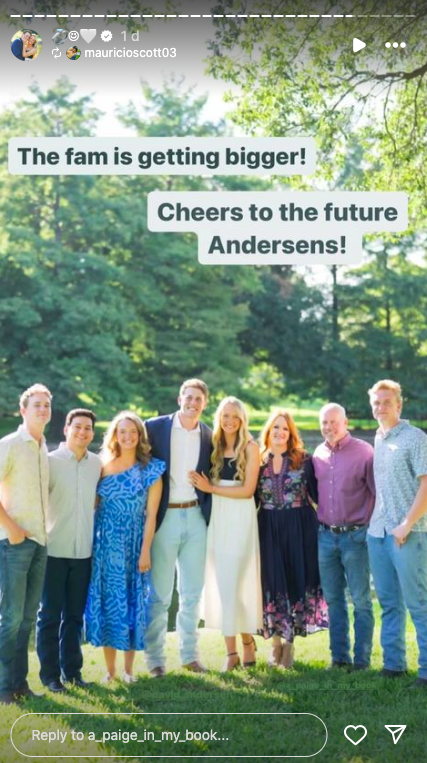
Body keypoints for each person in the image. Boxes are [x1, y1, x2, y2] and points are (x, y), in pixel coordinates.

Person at [85, 412, 165, 683]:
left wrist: (145, 550)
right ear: (115, 436)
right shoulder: (102, 467)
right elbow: (93, 507)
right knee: (109, 603)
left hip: (134, 544)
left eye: (133, 431)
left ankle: (129, 671)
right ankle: (110, 671)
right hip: (106, 546)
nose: (128, 436)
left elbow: (151, 515)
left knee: (132, 603)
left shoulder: (151, 469)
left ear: (140, 435)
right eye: (123, 432)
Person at [144, 379, 212, 677]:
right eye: (188, 397)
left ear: (205, 403)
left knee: (192, 592)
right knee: (159, 594)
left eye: (198, 399)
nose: (192, 403)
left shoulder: (210, 435)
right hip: (165, 518)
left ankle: (189, 656)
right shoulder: (155, 428)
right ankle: (155, 660)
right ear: (179, 398)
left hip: (196, 517)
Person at [190, 397, 262, 671]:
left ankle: (245, 644)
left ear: (243, 419)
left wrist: (212, 489)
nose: (230, 421)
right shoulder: (213, 446)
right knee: (222, 585)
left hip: (240, 519)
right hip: (217, 518)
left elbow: (247, 491)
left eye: (235, 416)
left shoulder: (251, 448)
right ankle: (232, 652)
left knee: (236, 584)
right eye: (225, 416)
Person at [36, 409, 102, 693]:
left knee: (75, 617)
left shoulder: (96, 464)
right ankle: (50, 676)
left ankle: (73, 672)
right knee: (49, 616)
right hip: (53, 550)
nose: (82, 432)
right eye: (77, 427)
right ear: (66, 429)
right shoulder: (49, 462)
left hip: (83, 552)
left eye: (88, 428)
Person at [367, 380, 427, 687]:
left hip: (409, 532)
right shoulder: (378, 438)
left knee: (419, 604)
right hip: (378, 532)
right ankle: (393, 663)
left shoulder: (415, 438)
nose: (381, 407)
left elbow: (426, 486)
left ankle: (426, 670)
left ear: (398, 405)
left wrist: (405, 524)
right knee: (389, 603)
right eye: (376, 402)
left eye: (386, 402)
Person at [257, 410, 328, 669]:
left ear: (291, 433)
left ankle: (289, 646)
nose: (280, 432)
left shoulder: (303, 459)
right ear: (268, 431)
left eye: (285, 428)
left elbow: (319, 495)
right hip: (268, 527)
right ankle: (275, 642)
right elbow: (250, 498)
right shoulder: (257, 460)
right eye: (275, 427)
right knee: (272, 583)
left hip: (300, 527)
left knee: (294, 581)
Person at [312, 404, 375, 670]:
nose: (328, 427)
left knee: (361, 600)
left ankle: (361, 660)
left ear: (345, 422)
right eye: (324, 423)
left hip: (356, 538)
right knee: (334, 599)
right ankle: (339, 657)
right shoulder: (318, 453)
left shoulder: (364, 452)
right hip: (326, 537)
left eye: (333, 422)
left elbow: (376, 493)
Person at [0, 383, 52, 704]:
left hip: (40, 542)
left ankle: (20, 684)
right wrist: (12, 528)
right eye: (37, 406)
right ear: (23, 410)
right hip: (14, 543)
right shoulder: (9, 444)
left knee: (27, 619)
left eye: (46, 406)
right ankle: (4, 686)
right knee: (10, 618)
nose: (42, 410)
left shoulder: (43, 446)